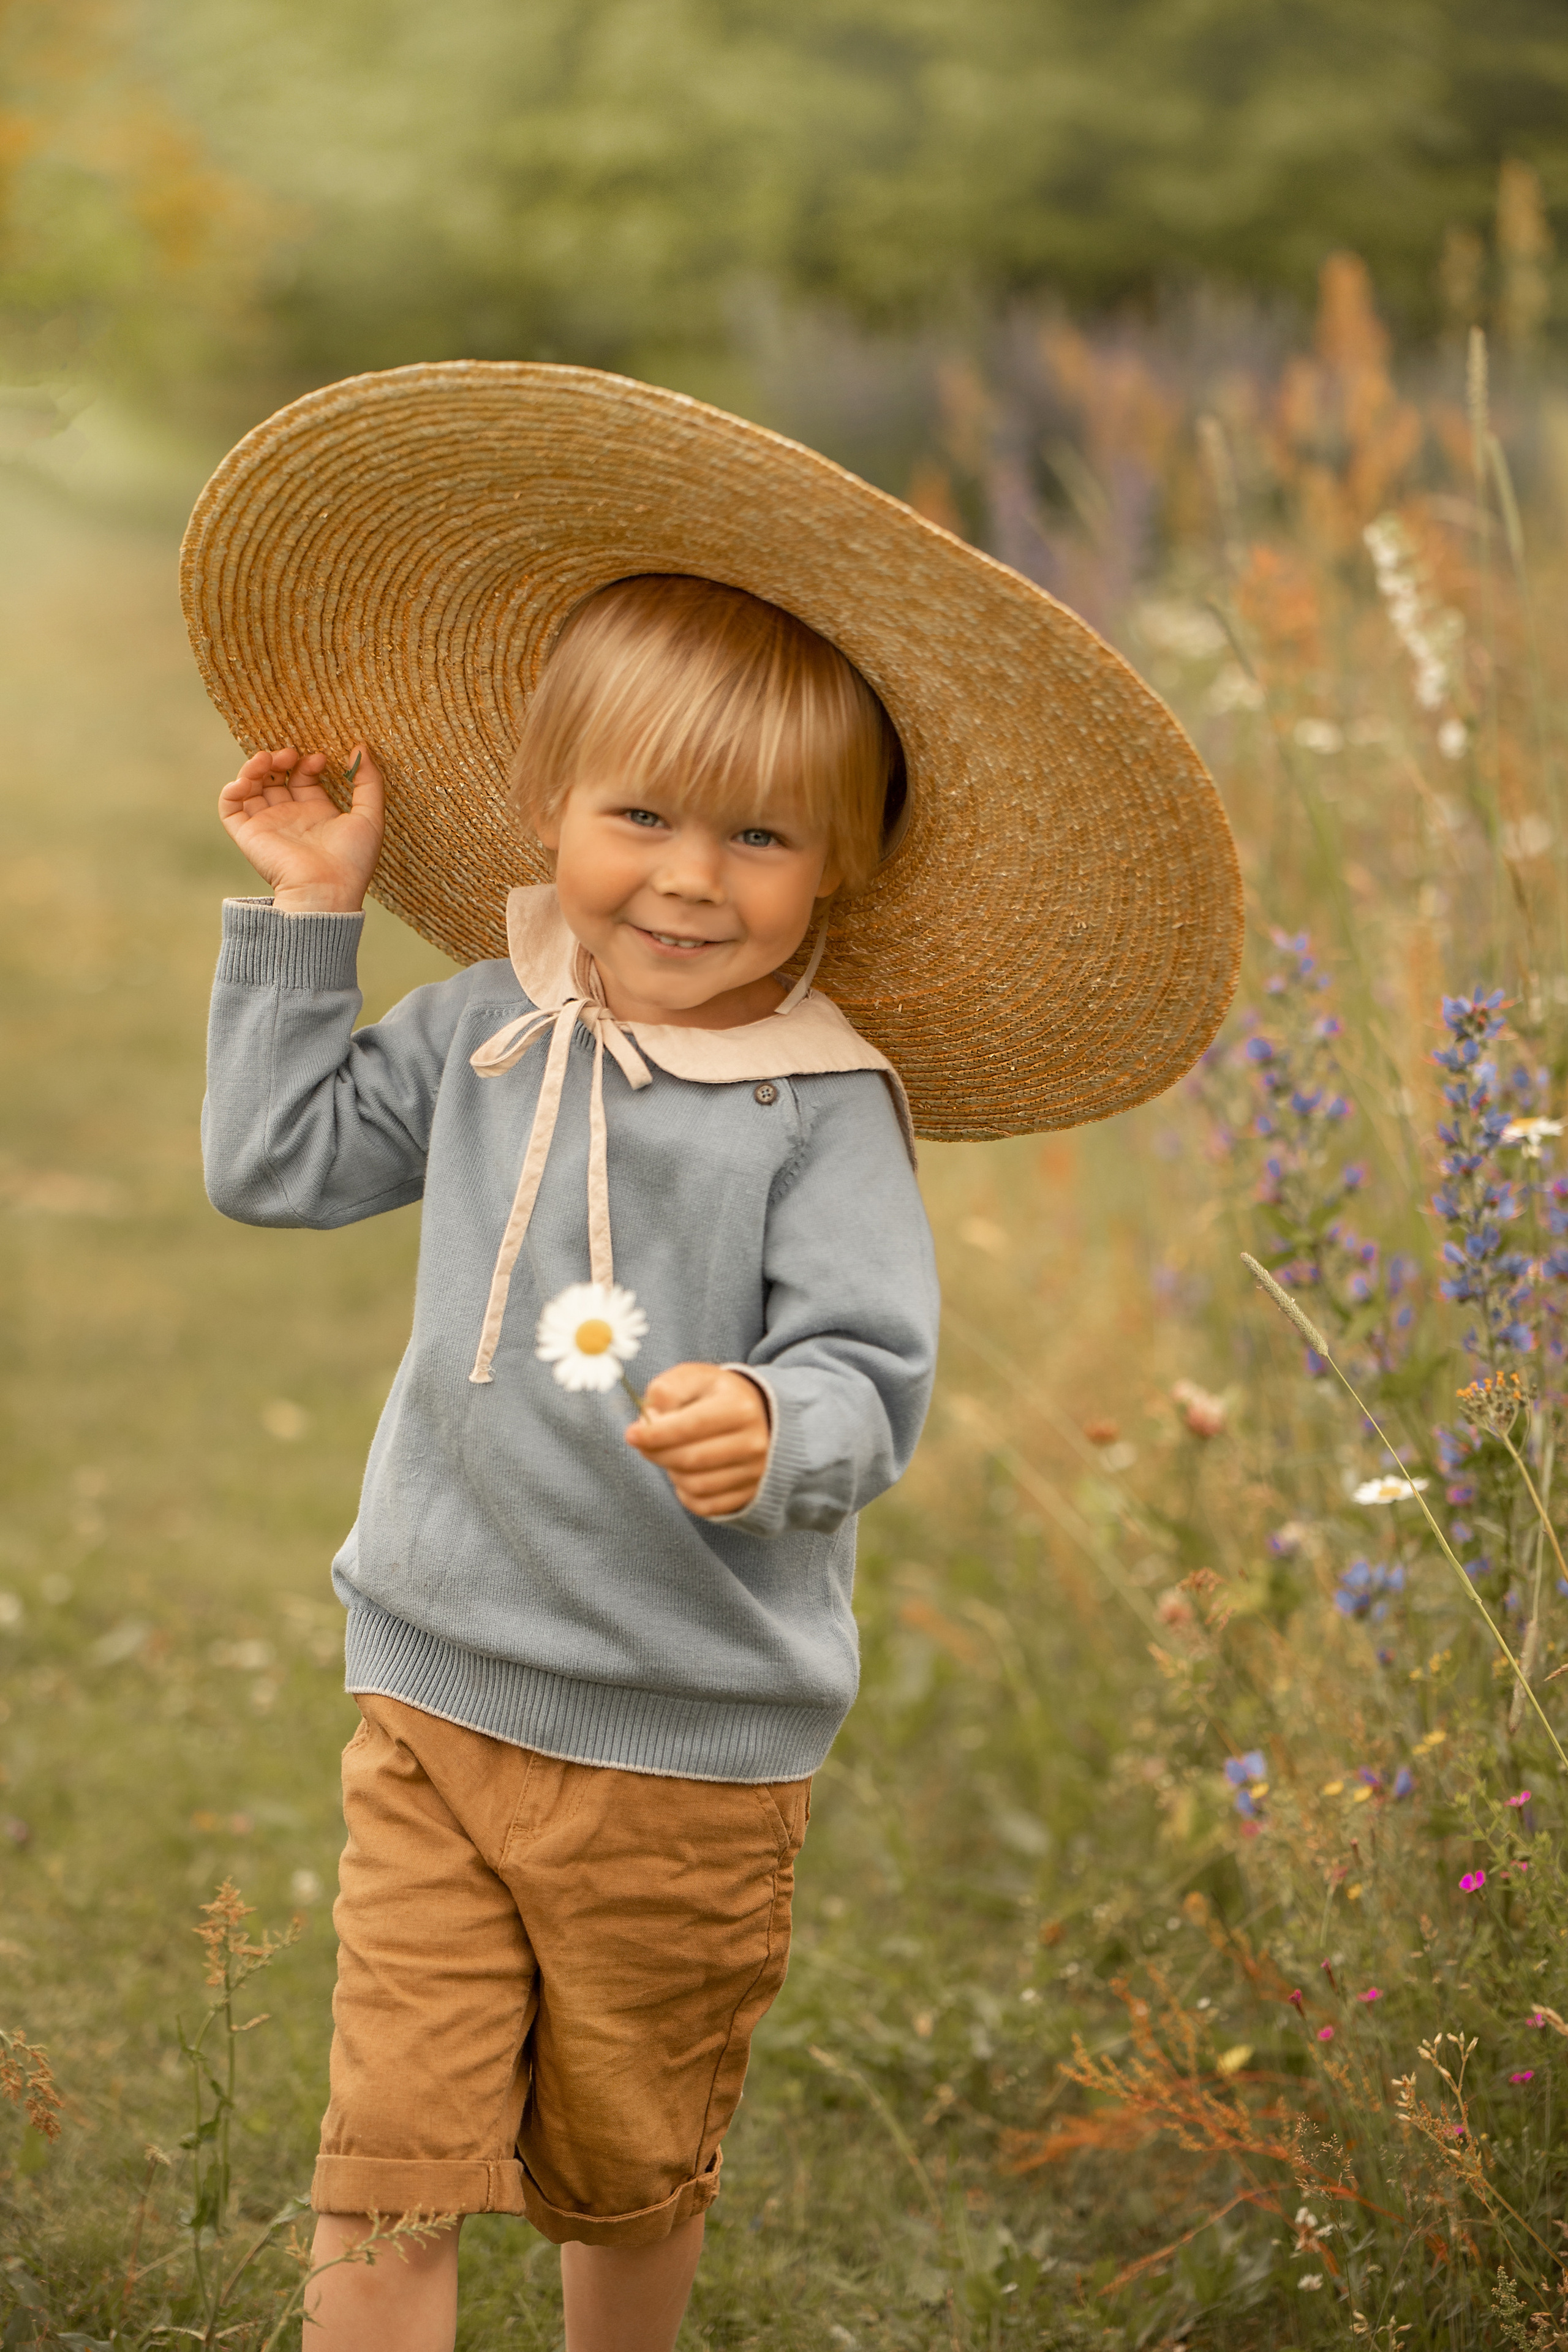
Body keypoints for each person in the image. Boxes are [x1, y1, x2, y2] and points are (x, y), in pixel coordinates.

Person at [187, 363, 1242, 2352]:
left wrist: (777, 1413)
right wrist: (311, 917)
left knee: (627, 2164)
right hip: (433, 1682)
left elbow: (870, 1367)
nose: (689, 875)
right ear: (547, 814)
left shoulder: (820, 1108)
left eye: (760, 836)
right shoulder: (490, 1027)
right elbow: (278, 1165)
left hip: (686, 1736)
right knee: (388, 2160)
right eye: (641, 817)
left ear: (840, 864)